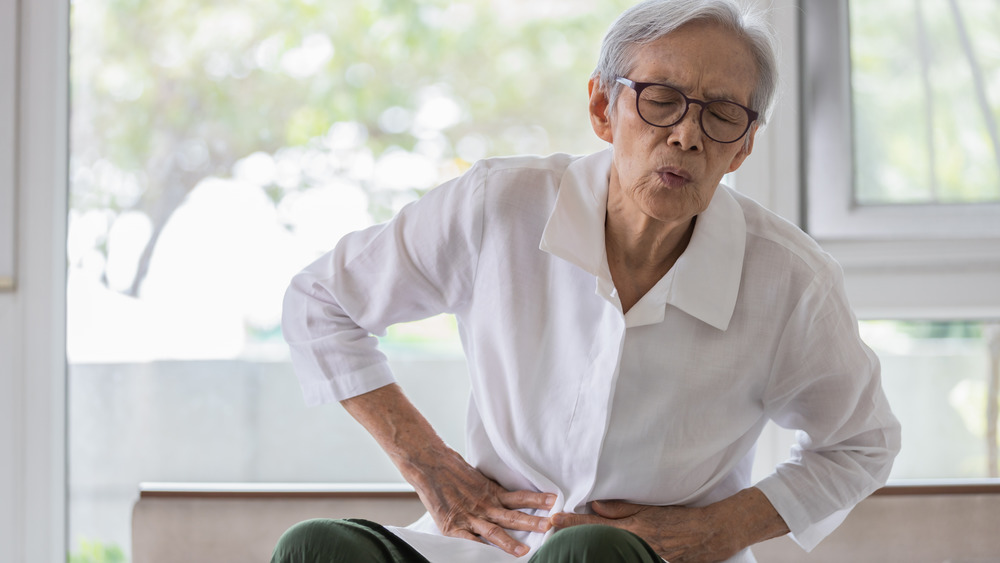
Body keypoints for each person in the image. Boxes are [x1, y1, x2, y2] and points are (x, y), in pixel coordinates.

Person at [275, 0, 901, 561]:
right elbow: (321, 302)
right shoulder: (501, 205)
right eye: (661, 99)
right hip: (492, 546)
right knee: (314, 549)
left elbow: (861, 442)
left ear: (742, 148)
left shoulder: (789, 278)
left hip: (645, 560)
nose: (686, 135)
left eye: (721, 115)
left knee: (588, 555)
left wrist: (718, 529)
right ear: (604, 108)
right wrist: (430, 465)